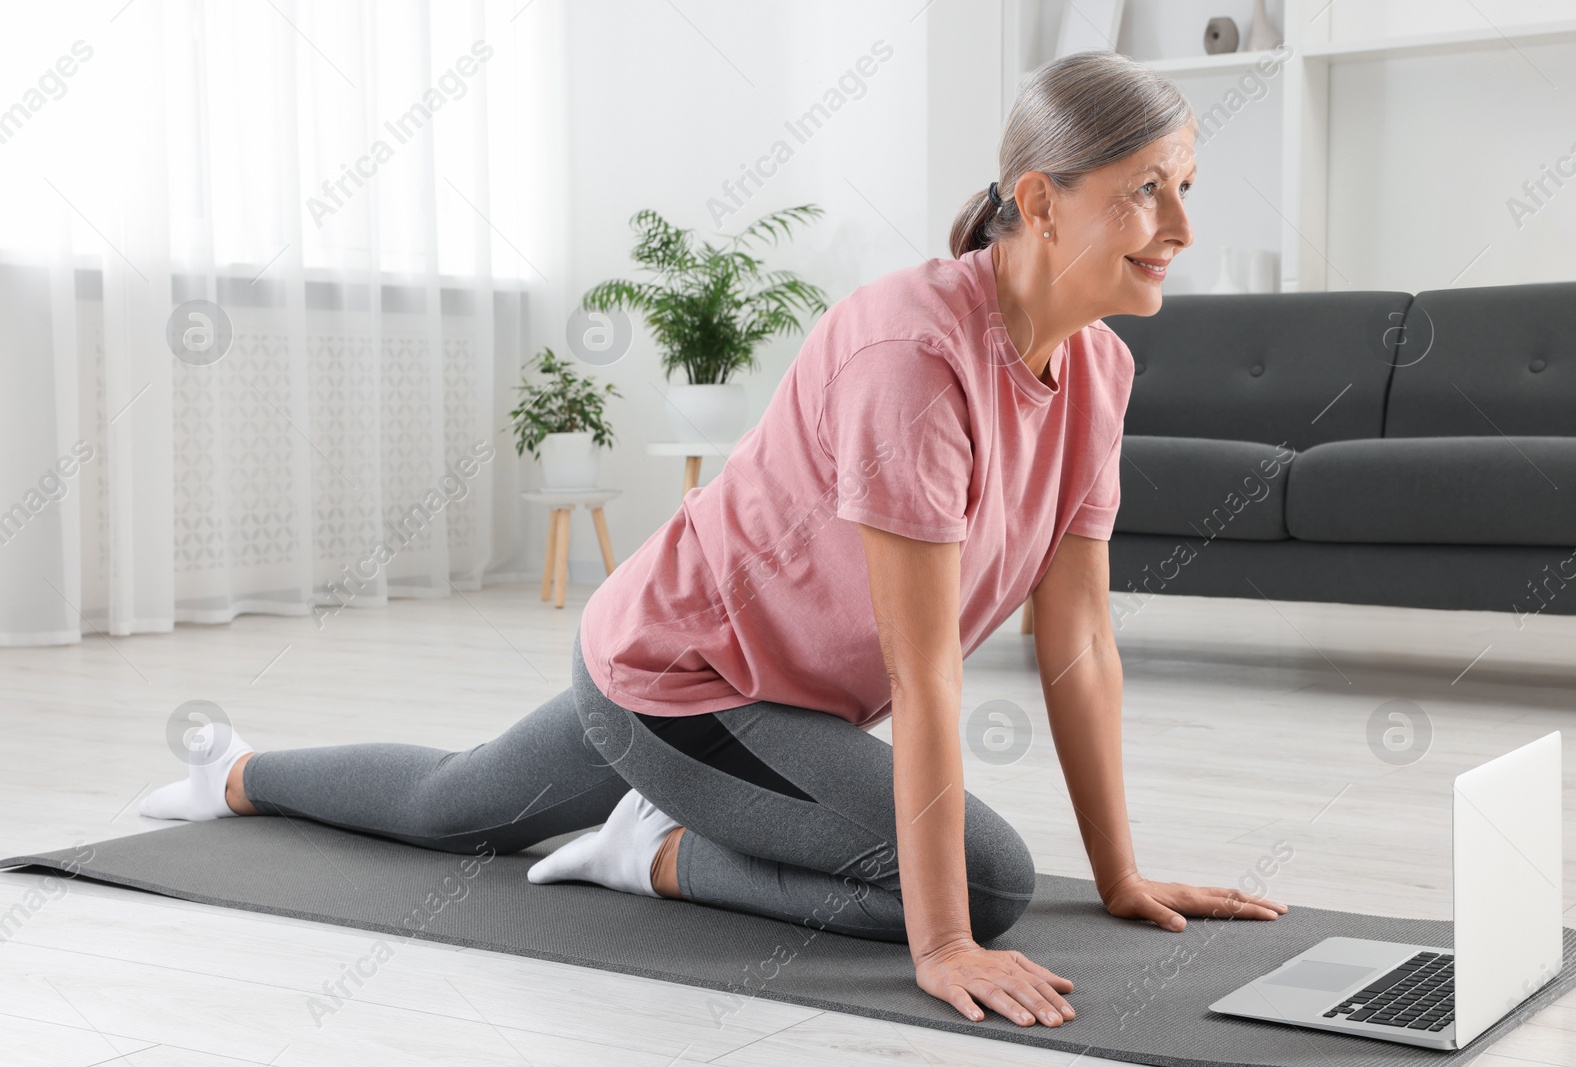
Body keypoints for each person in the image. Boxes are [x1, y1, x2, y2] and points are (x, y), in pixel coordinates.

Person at [141, 50, 1287, 1029]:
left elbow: (1078, 639)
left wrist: (1122, 872)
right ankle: (631, 847)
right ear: (1038, 203)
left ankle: (271, 778)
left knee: (460, 804)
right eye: (1146, 193)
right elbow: (925, 676)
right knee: (987, 885)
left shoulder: (1099, 365)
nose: (1181, 227)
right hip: (676, 677)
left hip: (766, 692)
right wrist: (941, 945)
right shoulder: (914, 356)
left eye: (1183, 186)